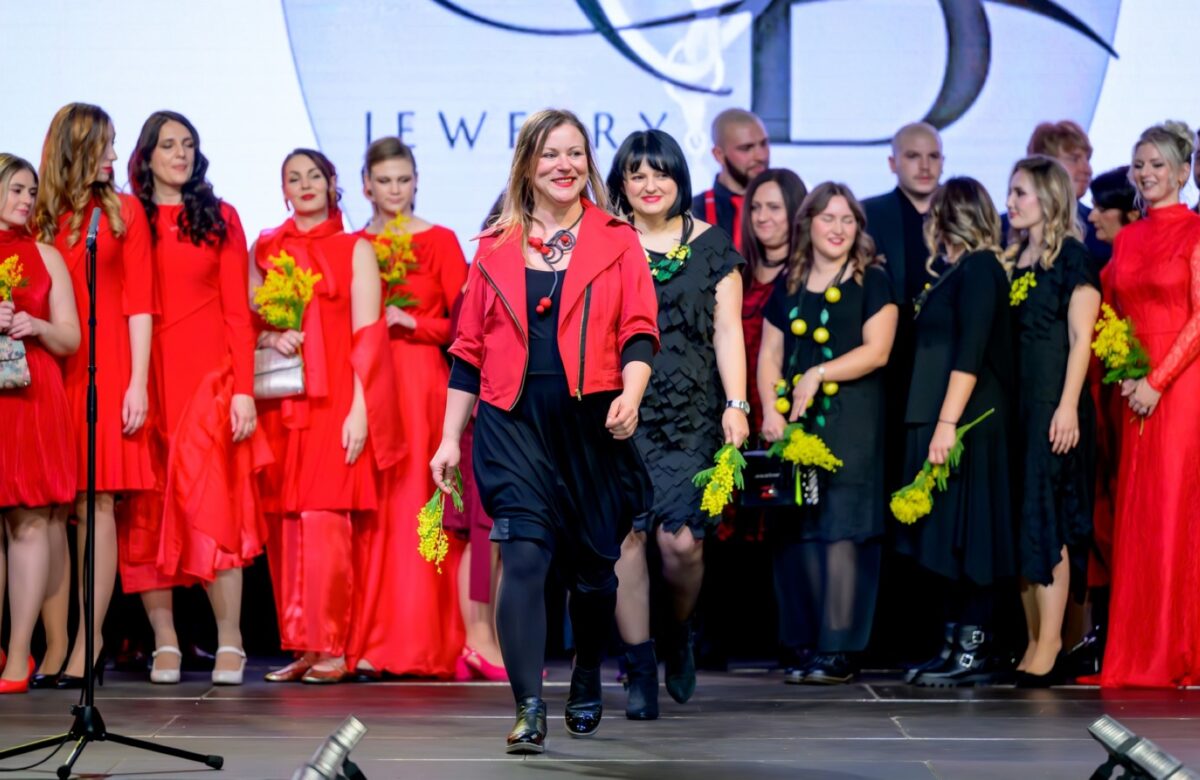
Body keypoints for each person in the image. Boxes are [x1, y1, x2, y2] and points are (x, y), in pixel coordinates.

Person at [431, 109, 658, 753]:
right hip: (512, 422)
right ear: (528, 164)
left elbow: (640, 330)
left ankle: (586, 669)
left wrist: (631, 395)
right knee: (524, 555)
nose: (565, 165)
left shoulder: (617, 239)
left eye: (575, 153)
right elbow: (467, 352)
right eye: (551, 153)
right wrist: (448, 439)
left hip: (592, 423)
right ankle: (528, 706)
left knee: (595, 573)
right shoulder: (493, 246)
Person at [605, 129, 748, 719]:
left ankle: (680, 631)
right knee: (627, 538)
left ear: (678, 178)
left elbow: (728, 330)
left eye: (659, 172)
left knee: (681, 542)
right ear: (621, 184)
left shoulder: (711, 245)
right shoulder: (606, 241)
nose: (649, 184)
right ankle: (639, 667)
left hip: (690, 415)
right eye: (636, 174)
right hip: (621, 409)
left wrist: (737, 404)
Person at [122, 111, 266, 685]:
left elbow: (237, 312)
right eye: (168, 145)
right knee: (146, 513)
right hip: (145, 380)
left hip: (208, 381)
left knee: (214, 510)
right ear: (147, 156)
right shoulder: (129, 218)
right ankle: (165, 641)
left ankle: (231, 639)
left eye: (188, 144)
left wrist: (243, 391)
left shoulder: (220, 216)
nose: (180, 154)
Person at [256, 149, 403, 684]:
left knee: (324, 523)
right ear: (283, 190)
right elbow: (251, 323)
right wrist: (271, 336)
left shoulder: (355, 248)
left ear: (332, 182)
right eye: (293, 178)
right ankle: (303, 645)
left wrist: (361, 411)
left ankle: (334, 647)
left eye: (314, 175)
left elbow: (369, 337)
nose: (305, 185)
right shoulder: (266, 248)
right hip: (284, 403)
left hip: (336, 400)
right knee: (286, 527)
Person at [35, 103, 157, 688]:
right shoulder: (41, 214)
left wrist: (137, 381)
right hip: (49, 368)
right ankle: (55, 643)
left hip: (106, 370)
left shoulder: (123, 212)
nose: (114, 156)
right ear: (77, 150)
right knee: (50, 508)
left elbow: (140, 303)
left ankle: (91, 639)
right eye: (105, 146)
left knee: (96, 502)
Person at [758, 182, 897, 684]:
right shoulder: (791, 281)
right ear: (808, 224)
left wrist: (819, 373)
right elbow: (770, 354)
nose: (838, 229)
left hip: (851, 424)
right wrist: (770, 410)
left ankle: (839, 648)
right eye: (828, 218)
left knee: (843, 531)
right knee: (799, 533)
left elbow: (878, 351)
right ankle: (805, 643)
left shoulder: (871, 280)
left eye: (847, 220)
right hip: (795, 425)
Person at [345, 137, 470, 680]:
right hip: (367, 385)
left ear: (416, 181)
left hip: (422, 388)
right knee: (374, 513)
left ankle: (425, 642)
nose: (394, 190)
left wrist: (411, 321)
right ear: (366, 186)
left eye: (403, 179)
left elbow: (465, 326)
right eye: (384, 181)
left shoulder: (440, 240)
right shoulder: (355, 244)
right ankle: (370, 640)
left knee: (418, 506)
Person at [894, 177, 1015, 687]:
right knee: (945, 540)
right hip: (943, 416)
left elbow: (971, 352)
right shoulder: (955, 270)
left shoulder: (982, 268)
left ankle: (973, 649)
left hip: (969, 422)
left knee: (972, 537)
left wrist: (947, 424)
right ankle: (951, 646)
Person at [1100, 121, 1200, 688]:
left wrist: (1158, 381)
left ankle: (1173, 648)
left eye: (1157, 164)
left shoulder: (1195, 232)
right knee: (1136, 516)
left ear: (1183, 172)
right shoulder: (1128, 238)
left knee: (1172, 511)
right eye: (1139, 164)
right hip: (1133, 385)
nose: (1145, 173)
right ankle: (1135, 651)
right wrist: (1126, 371)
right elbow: (1112, 312)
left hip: (1180, 387)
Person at [1003, 156, 1101, 685]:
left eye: (1020, 193)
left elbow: (1081, 339)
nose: (1011, 202)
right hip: (1019, 406)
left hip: (1053, 405)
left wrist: (1067, 405)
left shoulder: (1073, 259)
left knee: (1050, 520)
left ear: (1049, 197)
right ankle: (1033, 639)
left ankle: (1051, 644)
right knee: (1025, 521)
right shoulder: (1017, 257)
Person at [0, 154, 80, 694]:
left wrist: (38, 324)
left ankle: (19, 655)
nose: (27, 200)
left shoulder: (46, 255)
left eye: (31, 191)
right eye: (16, 189)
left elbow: (71, 337)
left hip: (30, 396)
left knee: (29, 521)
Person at [741, 169, 808, 436]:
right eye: (755, 207)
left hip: (787, 412)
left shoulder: (808, 278)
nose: (761, 217)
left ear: (796, 212)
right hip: (738, 410)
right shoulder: (737, 274)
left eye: (774, 207)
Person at [1021, 121, 1109, 264]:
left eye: (1087, 159)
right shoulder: (1007, 228)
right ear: (1044, 164)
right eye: (1074, 159)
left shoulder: (1100, 227)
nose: (1087, 170)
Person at [690, 109, 769, 252]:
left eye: (764, 144)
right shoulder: (693, 213)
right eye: (746, 148)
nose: (761, 156)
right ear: (719, 155)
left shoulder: (790, 207)